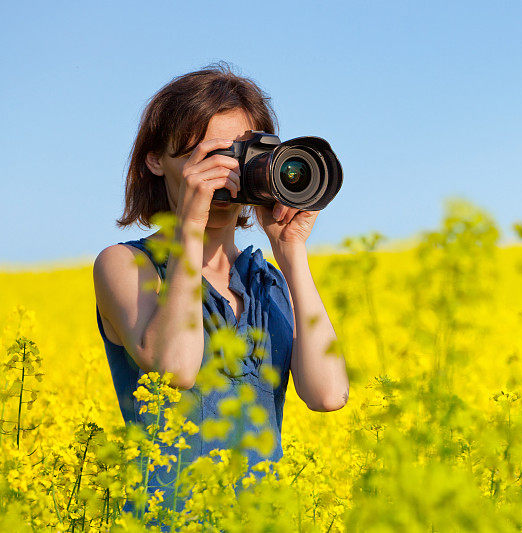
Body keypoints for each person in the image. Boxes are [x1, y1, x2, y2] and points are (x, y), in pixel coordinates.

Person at [92, 62, 349, 524]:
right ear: (156, 160)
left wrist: (291, 253)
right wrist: (189, 226)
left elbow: (327, 394)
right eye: (213, 155)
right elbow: (177, 366)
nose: (228, 170)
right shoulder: (127, 265)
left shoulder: (263, 278)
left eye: (243, 153)